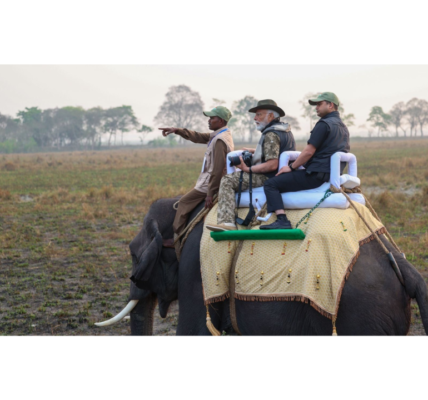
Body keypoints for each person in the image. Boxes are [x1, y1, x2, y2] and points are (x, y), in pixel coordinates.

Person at [260, 92, 350, 230]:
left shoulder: (323, 124)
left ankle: (282, 220)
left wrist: (291, 167)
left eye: (319, 104)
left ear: (330, 105)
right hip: (329, 174)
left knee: (271, 184)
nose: (316, 108)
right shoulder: (343, 127)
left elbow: (308, 151)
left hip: (315, 175)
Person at [206, 99, 296, 232]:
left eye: (259, 114)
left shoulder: (271, 134)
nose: (255, 118)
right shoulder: (284, 130)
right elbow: (275, 153)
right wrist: (256, 151)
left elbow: (272, 165)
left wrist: (248, 169)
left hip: (269, 176)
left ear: (271, 116)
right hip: (281, 174)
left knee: (227, 180)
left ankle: (227, 223)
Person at [159, 106, 234, 246]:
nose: (209, 120)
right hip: (209, 181)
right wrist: (177, 130)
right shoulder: (220, 135)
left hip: (209, 184)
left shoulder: (219, 140)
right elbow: (198, 136)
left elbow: (217, 170)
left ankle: (177, 238)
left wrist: (210, 193)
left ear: (221, 121)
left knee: (184, 202)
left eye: (212, 118)